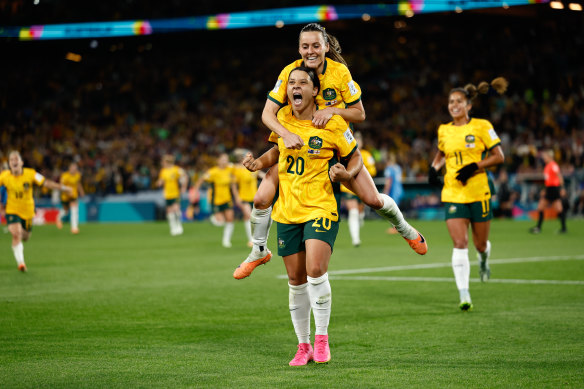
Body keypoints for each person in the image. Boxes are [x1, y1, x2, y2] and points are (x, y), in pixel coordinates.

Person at [234, 22, 427, 279]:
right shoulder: (290, 72)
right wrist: (287, 135)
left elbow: (359, 113)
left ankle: (404, 228)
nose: (310, 51)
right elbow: (267, 114)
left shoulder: (339, 73)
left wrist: (333, 110)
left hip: (334, 149)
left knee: (372, 200)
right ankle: (259, 250)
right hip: (298, 148)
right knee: (260, 199)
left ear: (326, 46)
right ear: (299, 49)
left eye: (316, 45)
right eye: (305, 46)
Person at [239, 66, 362, 365]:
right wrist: (258, 162)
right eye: (291, 82)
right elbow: (277, 152)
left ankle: (322, 339)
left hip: (321, 206)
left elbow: (355, 155)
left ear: (315, 91)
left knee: (316, 269)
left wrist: (347, 173)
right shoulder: (281, 118)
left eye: (302, 83)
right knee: (296, 280)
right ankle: (303, 345)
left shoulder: (331, 122)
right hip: (288, 211)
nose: (295, 87)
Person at [429, 77, 507, 311]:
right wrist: (433, 168)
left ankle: (483, 260)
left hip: (478, 191)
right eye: (451, 101)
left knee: (480, 244)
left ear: (468, 105)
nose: (454, 105)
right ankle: (464, 294)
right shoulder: (443, 130)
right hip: (453, 192)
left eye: (459, 101)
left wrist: (475, 166)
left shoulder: (482, 126)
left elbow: (499, 156)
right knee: (460, 242)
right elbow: (441, 154)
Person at [0, 151, 72, 272]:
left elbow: (46, 183)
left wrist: (63, 188)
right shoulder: (4, 176)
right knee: (16, 233)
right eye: (12, 160)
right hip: (12, 210)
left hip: (28, 211)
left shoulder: (31, 174)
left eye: (16, 159)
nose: (14, 161)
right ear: (9, 163)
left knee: (26, 237)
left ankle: (19, 246)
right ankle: (21, 263)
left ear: (21, 162)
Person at [192, 153, 235, 248]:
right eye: (223, 159)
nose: (225, 161)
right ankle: (213, 219)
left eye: (226, 159)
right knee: (220, 222)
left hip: (227, 198)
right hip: (216, 200)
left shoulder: (230, 169)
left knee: (230, 219)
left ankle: (226, 241)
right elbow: (201, 180)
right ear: (218, 161)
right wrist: (195, 191)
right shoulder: (213, 172)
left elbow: (239, 169)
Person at [341, 131, 376, 246]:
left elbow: (373, 171)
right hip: (348, 188)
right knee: (354, 212)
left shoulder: (366, 154)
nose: (357, 142)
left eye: (359, 140)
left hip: (361, 188)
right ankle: (356, 239)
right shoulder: (344, 153)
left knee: (360, 213)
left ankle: (360, 221)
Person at [232, 150, 265, 247]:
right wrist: (237, 198)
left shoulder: (254, 168)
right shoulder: (237, 170)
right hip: (243, 197)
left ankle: (255, 238)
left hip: (254, 197)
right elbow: (234, 185)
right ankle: (251, 240)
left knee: (254, 218)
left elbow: (263, 176)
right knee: (249, 216)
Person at [529, 149, 567, 234]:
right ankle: (563, 228)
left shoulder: (553, 165)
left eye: (545, 156)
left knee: (545, 207)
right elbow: (549, 180)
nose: (543, 158)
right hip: (550, 189)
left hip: (554, 189)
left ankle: (538, 228)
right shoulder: (547, 166)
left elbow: (559, 176)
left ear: (550, 157)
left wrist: (562, 188)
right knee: (554, 208)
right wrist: (545, 190)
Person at [156, 154, 187, 236]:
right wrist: (159, 182)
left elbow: (185, 176)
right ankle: (173, 227)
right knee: (169, 211)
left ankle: (179, 226)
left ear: (167, 162)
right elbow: (161, 179)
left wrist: (184, 187)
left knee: (176, 209)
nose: (162, 163)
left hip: (176, 193)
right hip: (167, 194)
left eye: (163, 161)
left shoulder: (176, 169)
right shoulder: (163, 171)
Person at [56, 162, 85, 234]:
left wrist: (81, 192)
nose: (74, 169)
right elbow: (61, 187)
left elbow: (78, 183)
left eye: (75, 168)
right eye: (72, 168)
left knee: (74, 210)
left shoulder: (78, 175)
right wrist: (68, 192)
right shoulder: (64, 176)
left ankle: (74, 228)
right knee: (65, 211)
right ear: (69, 168)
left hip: (73, 196)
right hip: (65, 196)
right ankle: (58, 218)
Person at [383, 152, 404, 234]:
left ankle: (395, 228)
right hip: (399, 190)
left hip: (393, 191)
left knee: (392, 211)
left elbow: (389, 181)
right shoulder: (398, 168)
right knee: (396, 210)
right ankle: (399, 227)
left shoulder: (389, 168)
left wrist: (385, 192)